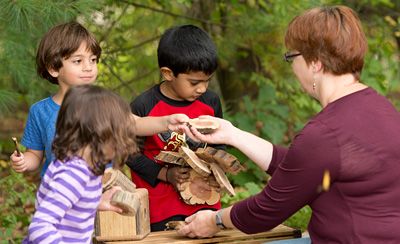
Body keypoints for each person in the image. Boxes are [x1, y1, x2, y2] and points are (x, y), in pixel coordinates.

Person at [177, 5, 400, 243]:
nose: (292, 67)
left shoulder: (326, 132)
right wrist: (233, 135)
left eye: (291, 57)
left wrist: (215, 220)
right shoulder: (383, 109)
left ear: (315, 63)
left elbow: (265, 212)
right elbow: (303, 169)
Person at [9, 21, 188, 178]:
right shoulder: (40, 111)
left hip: (101, 193)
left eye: (93, 60)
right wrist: (24, 161)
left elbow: (135, 124)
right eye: (78, 61)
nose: (88, 67)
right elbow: (35, 155)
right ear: (53, 68)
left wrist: (166, 121)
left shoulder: (104, 103)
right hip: (59, 195)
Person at [127, 24, 224, 231]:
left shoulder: (211, 102)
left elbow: (221, 144)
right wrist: (165, 174)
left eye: (207, 81)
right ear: (168, 73)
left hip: (204, 199)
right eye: (194, 82)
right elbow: (129, 154)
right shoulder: (143, 106)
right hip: (159, 205)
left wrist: (219, 171)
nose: (202, 88)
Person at [23, 85, 138, 243]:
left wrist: (96, 202)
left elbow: (69, 202)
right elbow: (40, 227)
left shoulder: (86, 167)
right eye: (119, 136)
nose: (124, 144)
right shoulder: (73, 174)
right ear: (99, 134)